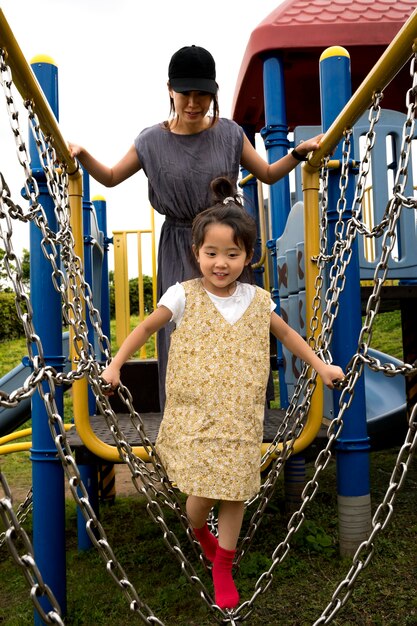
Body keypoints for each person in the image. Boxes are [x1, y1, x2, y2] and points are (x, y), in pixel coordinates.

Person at [101, 176, 344, 610]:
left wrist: (321, 366)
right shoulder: (182, 295)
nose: (221, 263)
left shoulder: (258, 299)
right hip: (194, 416)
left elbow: (289, 334)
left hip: (240, 416)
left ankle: (223, 565)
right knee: (197, 502)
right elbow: (144, 327)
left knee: (234, 490)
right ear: (196, 254)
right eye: (211, 253)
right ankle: (198, 532)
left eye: (232, 254)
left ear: (247, 256)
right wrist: (116, 364)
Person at [68, 44, 324, 410]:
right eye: (185, 93)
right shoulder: (150, 140)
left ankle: (242, 411)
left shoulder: (230, 134)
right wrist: (83, 154)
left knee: (238, 327)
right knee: (178, 329)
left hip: (224, 241)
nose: (193, 102)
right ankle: (185, 416)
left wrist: (298, 153)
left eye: (202, 94)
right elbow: (109, 177)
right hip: (180, 244)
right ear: (169, 90)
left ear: (213, 93)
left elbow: (267, 174)